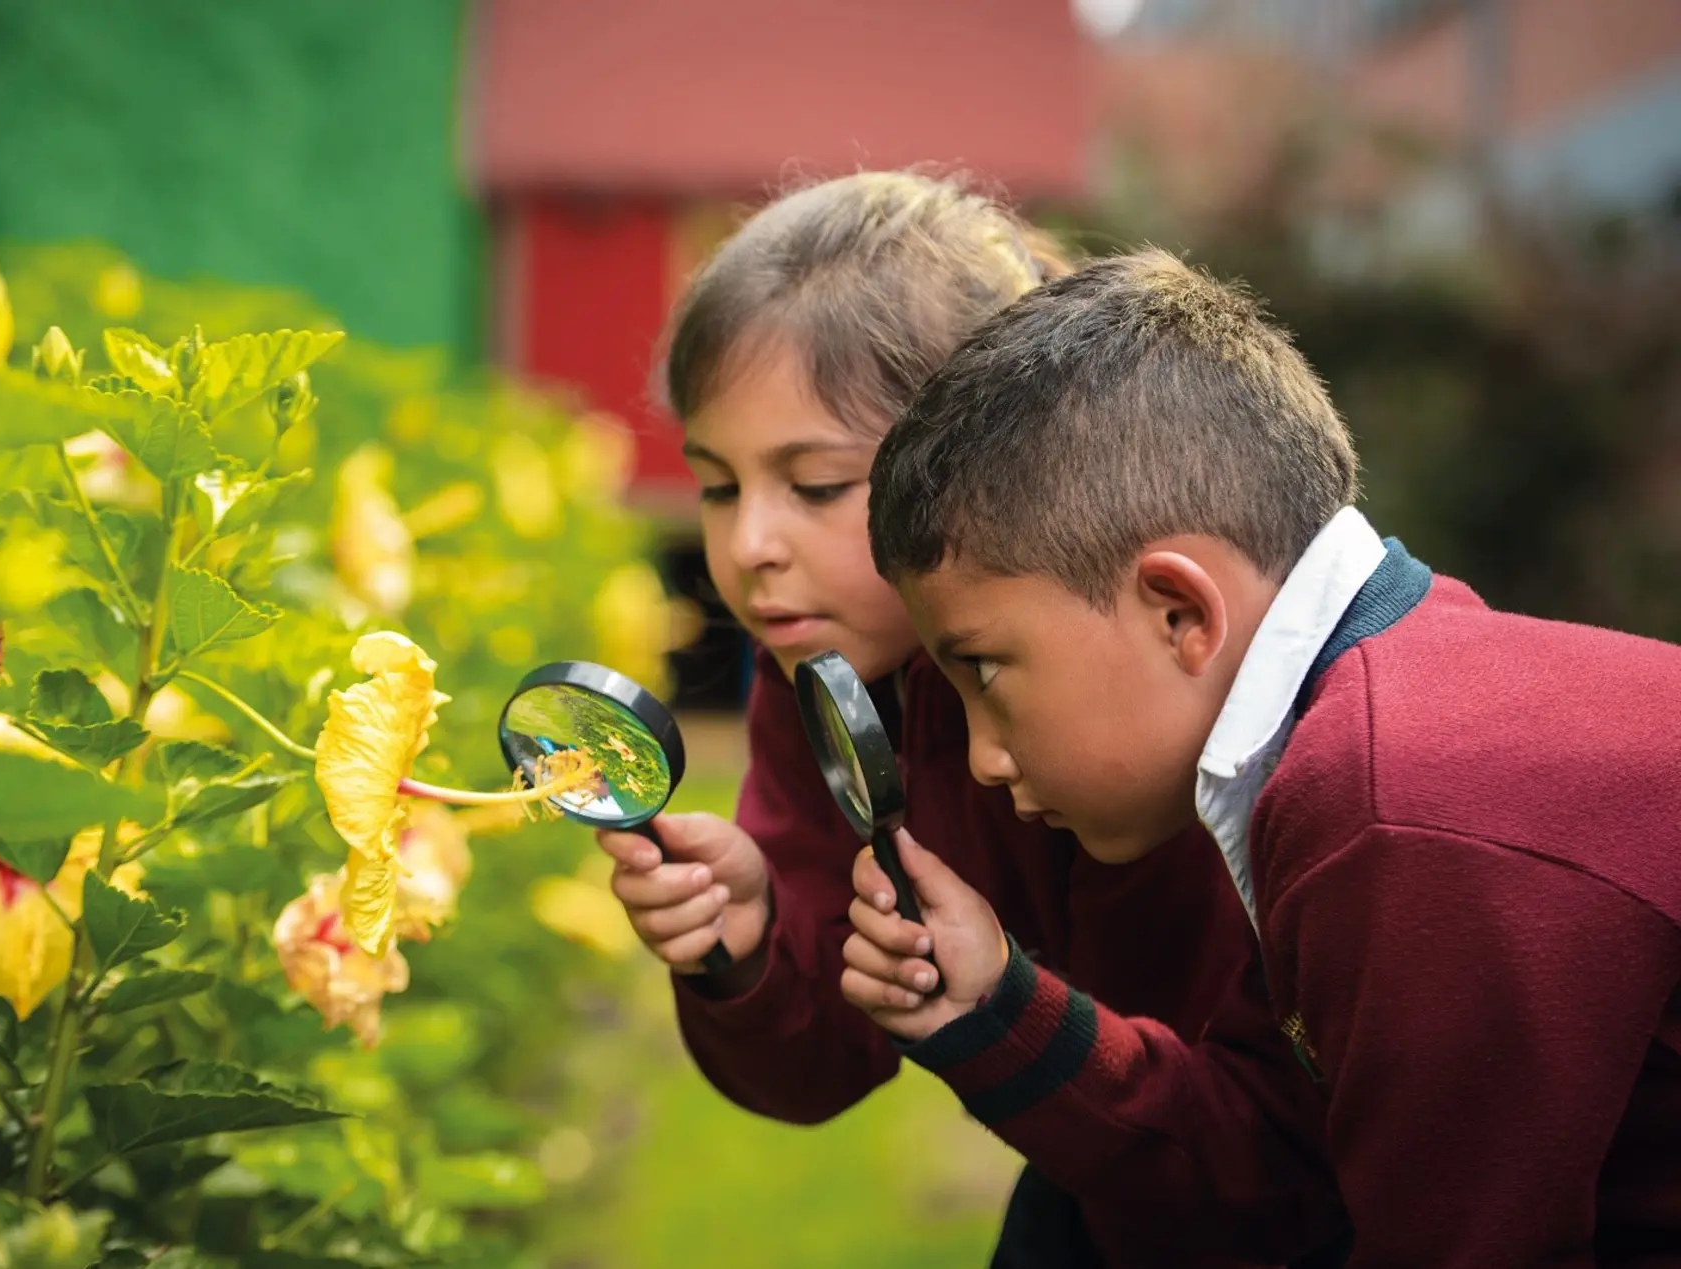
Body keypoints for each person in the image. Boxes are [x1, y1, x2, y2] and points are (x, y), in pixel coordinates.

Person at [856, 247, 1681, 1266]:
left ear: (1178, 612)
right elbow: (1285, 1167)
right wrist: (1000, 1009)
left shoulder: (1395, 807)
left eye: (982, 670)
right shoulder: (1363, 725)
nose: (983, 758)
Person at [595, 174, 1345, 1265]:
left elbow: (1260, 1154)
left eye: (813, 486)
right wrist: (750, 949)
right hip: (1102, 1148)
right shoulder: (821, 677)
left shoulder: (1146, 699)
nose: (748, 544)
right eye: (717, 486)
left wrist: (1007, 1009)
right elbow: (815, 1070)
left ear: (972, 460)